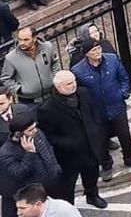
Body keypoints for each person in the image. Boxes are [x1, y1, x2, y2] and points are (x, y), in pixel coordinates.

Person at [69, 39, 131, 178]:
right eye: (93, 50)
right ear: (86, 54)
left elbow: (123, 78)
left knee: (124, 134)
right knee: (100, 139)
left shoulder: (112, 59)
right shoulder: (77, 70)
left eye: (98, 48)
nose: (97, 52)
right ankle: (106, 165)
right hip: (96, 111)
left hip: (116, 106)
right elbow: (78, 92)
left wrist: (123, 93)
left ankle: (130, 158)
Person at [37, 71, 107, 209]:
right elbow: (47, 136)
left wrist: (97, 130)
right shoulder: (48, 108)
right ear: (58, 87)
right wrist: (66, 143)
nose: (73, 85)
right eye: (69, 83)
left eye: (74, 81)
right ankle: (67, 206)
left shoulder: (83, 94)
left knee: (92, 174)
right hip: (67, 156)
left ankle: (92, 196)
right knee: (67, 185)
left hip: (89, 147)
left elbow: (93, 113)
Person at [0, 111, 61, 217]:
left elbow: (49, 150)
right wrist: (30, 153)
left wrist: (55, 168)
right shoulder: (6, 152)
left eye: (35, 127)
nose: (35, 131)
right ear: (19, 134)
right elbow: (19, 174)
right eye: (31, 130)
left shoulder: (38, 134)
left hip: (47, 188)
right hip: (27, 197)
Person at [1, 28, 56, 105]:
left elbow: (54, 63)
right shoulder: (11, 58)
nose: (21, 43)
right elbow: (5, 78)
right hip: (29, 102)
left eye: (26, 40)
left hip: (51, 95)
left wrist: (55, 78)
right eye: (20, 39)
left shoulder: (47, 47)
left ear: (35, 38)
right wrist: (19, 89)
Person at [14, 183, 80, 217]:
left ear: (38, 204)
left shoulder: (63, 212)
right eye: (18, 208)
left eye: (22, 208)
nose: (18, 213)